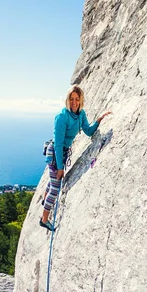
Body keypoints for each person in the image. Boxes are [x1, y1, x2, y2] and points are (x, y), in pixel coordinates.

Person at [40, 85, 111, 231]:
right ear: (67, 100)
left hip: (62, 153)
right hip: (56, 153)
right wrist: (60, 168)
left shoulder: (81, 114)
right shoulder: (62, 117)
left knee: (53, 181)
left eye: (77, 99)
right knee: (56, 187)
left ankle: (44, 201)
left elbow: (88, 131)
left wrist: (98, 120)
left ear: (80, 100)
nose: (74, 102)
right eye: (71, 99)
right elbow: (59, 144)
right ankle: (44, 219)